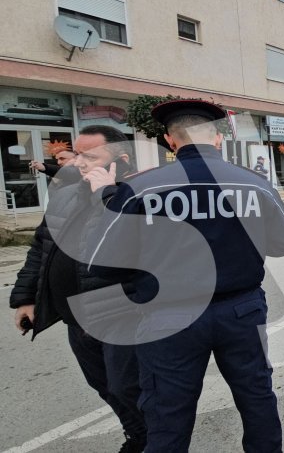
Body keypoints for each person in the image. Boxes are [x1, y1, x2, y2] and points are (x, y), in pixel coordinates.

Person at [86, 100, 284, 452]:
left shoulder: (140, 188)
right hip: (241, 312)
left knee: (167, 416)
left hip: (167, 318)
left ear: (171, 140)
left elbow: (101, 262)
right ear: (218, 139)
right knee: (256, 398)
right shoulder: (255, 184)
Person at [10, 126, 146, 452]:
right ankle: (139, 433)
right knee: (103, 385)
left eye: (90, 156)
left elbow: (135, 247)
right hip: (77, 317)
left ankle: (152, 437)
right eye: (78, 154)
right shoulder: (65, 195)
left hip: (121, 315)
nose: (78, 162)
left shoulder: (140, 195)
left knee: (127, 386)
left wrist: (107, 194)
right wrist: (25, 297)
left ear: (121, 159)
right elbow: (42, 248)